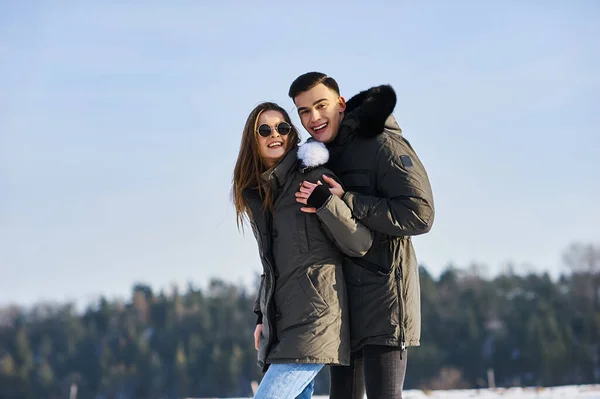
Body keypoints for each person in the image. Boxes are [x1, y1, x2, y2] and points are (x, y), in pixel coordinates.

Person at [289, 73, 435, 399]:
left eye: (320, 105)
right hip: (339, 303)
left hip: (384, 298)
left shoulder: (383, 145)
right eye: (303, 111)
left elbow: (420, 214)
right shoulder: (321, 157)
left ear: (340, 104)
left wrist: (350, 200)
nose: (313, 118)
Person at [232, 102, 374, 399]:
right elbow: (273, 266)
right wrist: (262, 316)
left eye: (283, 128)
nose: (276, 135)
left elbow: (359, 243)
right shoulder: (262, 195)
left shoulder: (311, 178)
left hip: (316, 318)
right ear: (252, 139)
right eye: (265, 129)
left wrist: (327, 203)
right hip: (283, 324)